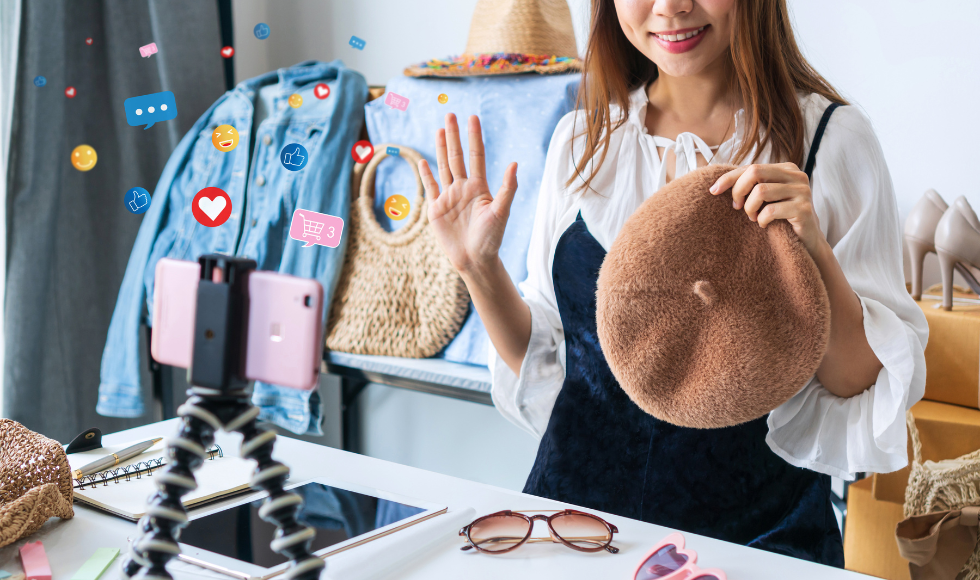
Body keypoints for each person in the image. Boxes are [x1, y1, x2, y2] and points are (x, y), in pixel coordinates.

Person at [416, 0, 927, 567]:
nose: (671, 8)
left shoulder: (830, 139)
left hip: (749, 548)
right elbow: (557, 372)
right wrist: (479, 267)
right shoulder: (584, 139)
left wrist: (814, 251)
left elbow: (858, 384)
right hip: (577, 535)